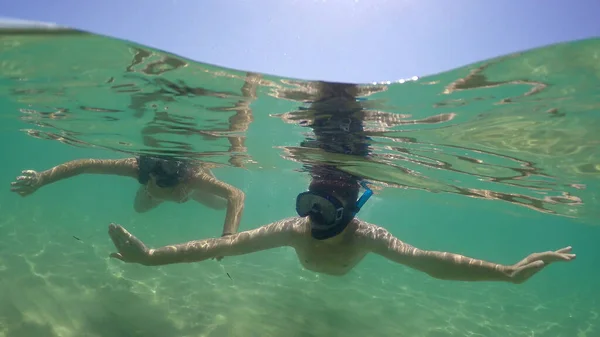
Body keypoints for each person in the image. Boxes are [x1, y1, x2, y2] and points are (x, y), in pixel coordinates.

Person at [106, 81, 575, 283]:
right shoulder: (294, 229)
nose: (309, 218)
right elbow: (218, 247)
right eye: (308, 203)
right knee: (333, 107)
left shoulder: (365, 237)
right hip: (344, 150)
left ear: (350, 211)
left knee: (333, 110)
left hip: (346, 156)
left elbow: (431, 263)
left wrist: (508, 273)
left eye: (322, 209)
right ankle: (335, 94)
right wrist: (150, 258)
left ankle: (335, 96)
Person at [10, 155, 245, 237]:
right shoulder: (137, 168)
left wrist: (228, 236)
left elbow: (236, 194)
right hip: (161, 191)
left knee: (218, 205)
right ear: (150, 178)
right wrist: (42, 178)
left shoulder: (194, 178)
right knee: (140, 209)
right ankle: (156, 195)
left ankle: (190, 187)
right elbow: (86, 165)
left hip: (193, 187)